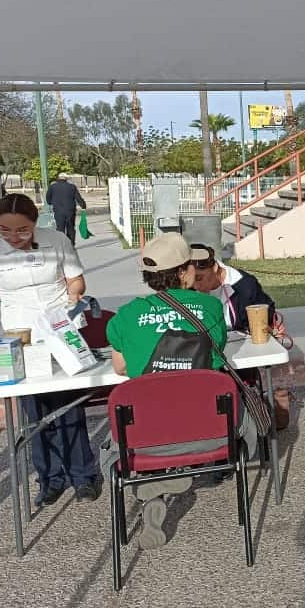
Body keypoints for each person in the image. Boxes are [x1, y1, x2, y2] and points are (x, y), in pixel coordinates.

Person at [0, 194, 103, 505]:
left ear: (35, 223)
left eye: (22, 230)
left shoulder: (56, 240)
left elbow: (77, 281)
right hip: (20, 337)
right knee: (35, 413)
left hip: (60, 331)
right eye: (5, 230)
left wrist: (73, 296)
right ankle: (49, 478)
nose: (14, 237)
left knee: (69, 406)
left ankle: (83, 475)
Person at [105, 232, 232, 549]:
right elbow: (216, 356)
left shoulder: (126, 317)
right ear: (184, 271)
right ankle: (174, 474)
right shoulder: (210, 308)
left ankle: (158, 481)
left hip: (144, 439)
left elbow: (120, 368)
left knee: (118, 438)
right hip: (209, 433)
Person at [189, 244, 276, 332]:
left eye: (199, 278)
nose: (195, 286)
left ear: (215, 267)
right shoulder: (187, 289)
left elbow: (268, 314)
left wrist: (271, 324)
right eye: (189, 280)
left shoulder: (244, 285)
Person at [46, 172, 86, 246]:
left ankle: (61, 245)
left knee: (60, 228)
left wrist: (51, 203)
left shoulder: (52, 187)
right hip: (70, 211)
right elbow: (78, 198)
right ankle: (71, 245)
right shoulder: (72, 187)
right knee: (70, 227)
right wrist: (83, 206)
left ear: (58, 178)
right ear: (66, 178)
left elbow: (48, 197)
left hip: (58, 211)